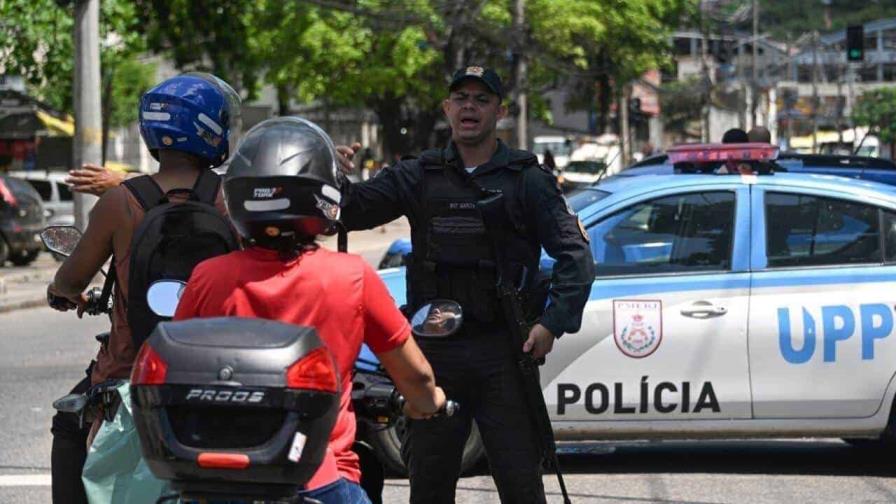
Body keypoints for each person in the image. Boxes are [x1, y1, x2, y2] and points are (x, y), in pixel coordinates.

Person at [335, 66, 595, 503]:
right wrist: (334, 173)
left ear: (500, 112)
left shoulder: (527, 178)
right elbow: (351, 210)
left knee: (520, 483)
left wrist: (552, 323)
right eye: (461, 98)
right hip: (436, 354)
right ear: (447, 108)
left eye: (481, 99)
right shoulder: (420, 174)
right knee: (430, 485)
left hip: (504, 354)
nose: (469, 107)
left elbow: (576, 256)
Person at [172, 116, 446, 504]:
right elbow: (415, 376)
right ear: (324, 197)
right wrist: (429, 402)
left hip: (224, 479)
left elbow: (177, 368)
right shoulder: (351, 276)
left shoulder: (208, 277)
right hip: (319, 476)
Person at [45, 72, 240, 504]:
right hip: (220, 367)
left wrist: (62, 292)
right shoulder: (231, 200)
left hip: (132, 369)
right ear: (211, 131)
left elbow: (72, 279)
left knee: (68, 426)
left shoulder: (121, 202)